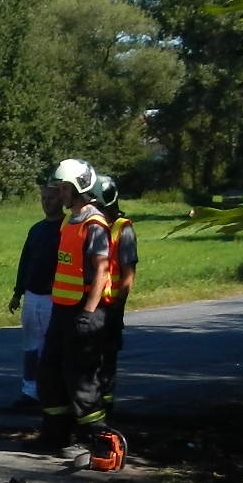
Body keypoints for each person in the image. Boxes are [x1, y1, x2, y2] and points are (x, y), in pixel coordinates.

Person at [36, 158, 126, 470]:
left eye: (63, 189)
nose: (59, 194)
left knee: (82, 381)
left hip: (83, 312)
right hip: (62, 310)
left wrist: (87, 314)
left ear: (78, 190)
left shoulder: (94, 225)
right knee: (49, 374)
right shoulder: (69, 221)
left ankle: (100, 443)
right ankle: (55, 436)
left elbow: (102, 272)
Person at [8, 184, 62, 407]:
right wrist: (17, 293)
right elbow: (25, 263)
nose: (46, 202)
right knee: (31, 346)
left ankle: (53, 391)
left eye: (50, 198)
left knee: (52, 347)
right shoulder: (36, 229)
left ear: (60, 199)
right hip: (32, 295)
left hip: (54, 298)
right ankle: (30, 391)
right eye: (43, 198)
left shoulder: (66, 228)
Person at [95, 174, 138, 415]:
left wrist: (117, 307)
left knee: (106, 357)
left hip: (110, 305)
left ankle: (106, 403)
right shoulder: (94, 227)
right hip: (92, 304)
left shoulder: (123, 230)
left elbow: (128, 275)